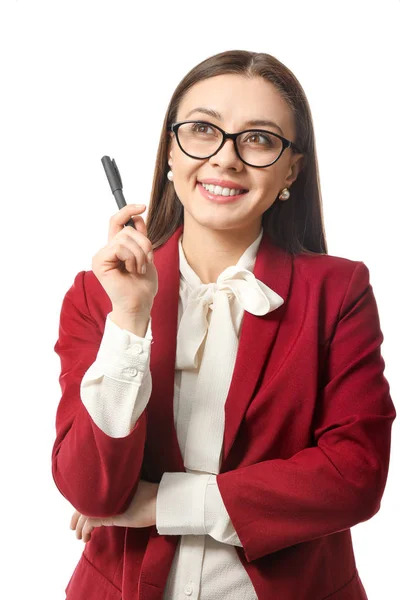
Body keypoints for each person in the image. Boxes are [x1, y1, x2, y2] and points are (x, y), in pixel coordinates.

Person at [52, 49, 396, 600]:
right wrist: (131, 320)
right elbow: (92, 490)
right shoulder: (100, 294)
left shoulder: (338, 291)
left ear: (292, 168)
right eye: (202, 130)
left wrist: (164, 505)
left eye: (258, 139)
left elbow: (354, 476)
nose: (225, 158)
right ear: (171, 148)